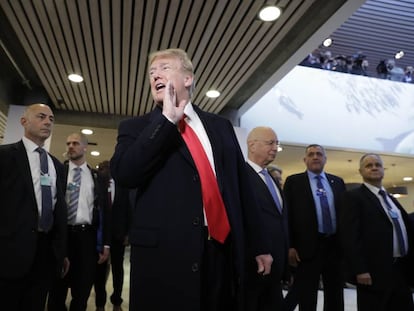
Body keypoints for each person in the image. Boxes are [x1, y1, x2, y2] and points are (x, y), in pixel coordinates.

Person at [110, 48, 273, 311]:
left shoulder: (220, 127)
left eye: (164, 68)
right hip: (166, 257)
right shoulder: (135, 128)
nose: (155, 76)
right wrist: (165, 122)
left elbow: (241, 188)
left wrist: (259, 244)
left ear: (187, 78)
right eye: (151, 73)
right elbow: (126, 174)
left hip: (223, 252)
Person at [0, 103, 68, 310]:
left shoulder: (57, 166)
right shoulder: (4, 156)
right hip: (9, 255)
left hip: (45, 256)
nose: (48, 122)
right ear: (23, 121)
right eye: (41, 117)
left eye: (51, 119)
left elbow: (59, 211)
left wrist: (61, 251)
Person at [339, 153, 414, 311]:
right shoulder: (353, 197)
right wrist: (360, 269)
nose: (374, 168)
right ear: (360, 171)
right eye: (369, 165)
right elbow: (350, 236)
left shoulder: (391, 200)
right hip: (373, 273)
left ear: (383, 170)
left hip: (400, 271)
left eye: (377, 165)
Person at [48, 133, 111, 311]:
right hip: (63, 236)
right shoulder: (60, 173)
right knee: (57, 289)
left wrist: (105, 243)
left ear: (85, 147)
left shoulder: (97, 177)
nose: (70, 146)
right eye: (68, 143)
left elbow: (105, 212)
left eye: (75, 143)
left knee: (82, 290)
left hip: (87, 239)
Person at [283, 144, 345, 311]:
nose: (315, 157)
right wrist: (290, 246)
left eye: (319, 154)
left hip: (334, 247)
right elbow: (287, 216)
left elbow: (345, 216)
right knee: (307, 296)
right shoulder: (294, 182)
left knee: (335, 295)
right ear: (305, 160)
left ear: (325, 159)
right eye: (311, 154)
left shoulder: (337, 182)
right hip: (306, 249)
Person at [245, 127, 289, 311]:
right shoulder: (240, 175)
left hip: (277, 264)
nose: (275, 148)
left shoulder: (271, 177)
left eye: (276, 144)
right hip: (254, 264)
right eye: (270, 142)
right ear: (252, 145)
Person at [96, 160, 130, 311]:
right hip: (101, 234)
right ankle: (100, 303)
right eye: (102, 169)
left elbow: (129, 210)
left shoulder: (123, 186)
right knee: (99, 270)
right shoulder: (98, 186)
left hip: (118, 235)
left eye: (107, 168)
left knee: (117, 269)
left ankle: (117, 301)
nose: (104, 171)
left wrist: (128, 233)